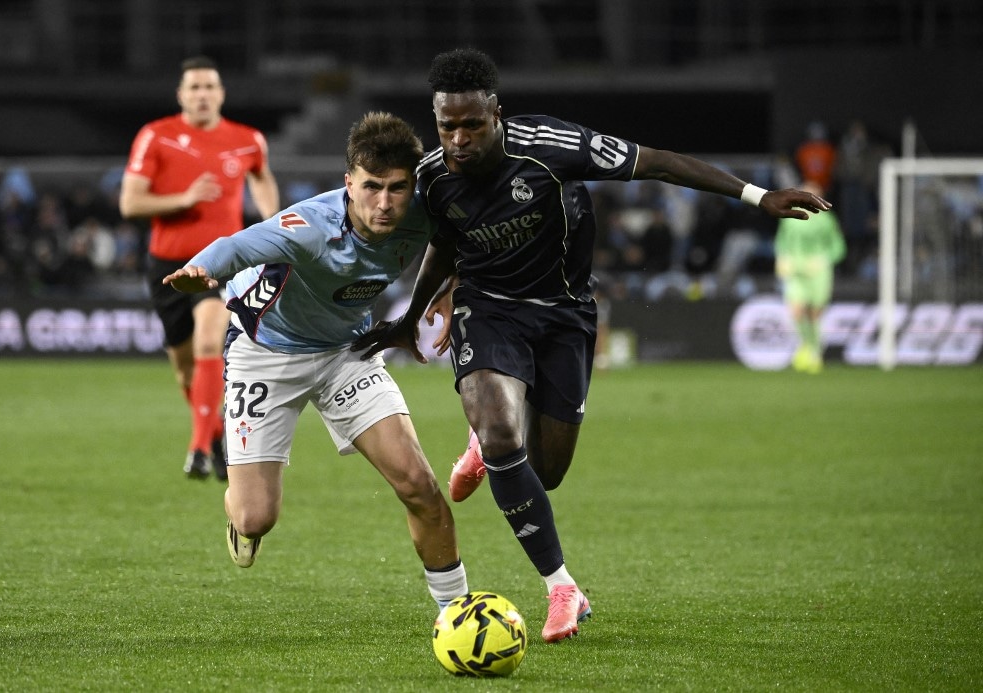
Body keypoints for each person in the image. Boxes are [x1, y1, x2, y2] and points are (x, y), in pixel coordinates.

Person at [352, 47, 831, 644]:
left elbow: (658, 163)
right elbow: (445, 244)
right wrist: (415, 312)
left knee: (544, 473)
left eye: (472, 124)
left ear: (495, 113)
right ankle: (561, 585)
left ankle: (491, 435)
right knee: (506, 442)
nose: (459, 138)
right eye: (447, 125)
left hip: (565, 315)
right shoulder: (431, 176)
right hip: (490, 309)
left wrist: (759, 197)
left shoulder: (552, 147)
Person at [161, 112, 470, 611]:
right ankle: (240, 517)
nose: (385, 204)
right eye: (371, 187)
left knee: (418, 484)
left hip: (346, 353)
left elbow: (464, 237)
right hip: (264, 354)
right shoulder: (306, 228)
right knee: (255, 516)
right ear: (348, 182)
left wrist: (452, 290)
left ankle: (456, 612)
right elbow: (235, 246)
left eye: (397, 189)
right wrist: (203, 271)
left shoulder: (425, 212)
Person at [120, 56, 280, 482]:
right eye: (194, 87)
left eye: (210, 86)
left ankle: (199, 451)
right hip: (167, 263)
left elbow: (261, 177)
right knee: (184, 368)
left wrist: (271, 222)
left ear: (221, 93)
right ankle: (212, 435)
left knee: (212, 340)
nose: (202, 94)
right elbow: (130, 203)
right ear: (181, 95)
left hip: (218, 262)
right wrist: (183, 199)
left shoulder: (248, 140)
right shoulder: (156, 136)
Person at [774, 181, 847, 373]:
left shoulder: (826, 219)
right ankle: (807, 346)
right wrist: (782, 258)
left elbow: (839, 247)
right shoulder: (790, 216)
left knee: (815, 313)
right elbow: (782, 241)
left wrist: (824, 260)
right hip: (796, 267)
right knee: (796, 310)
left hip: (818, 270)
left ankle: (815, 352)